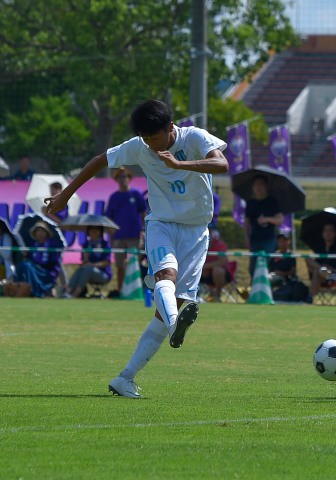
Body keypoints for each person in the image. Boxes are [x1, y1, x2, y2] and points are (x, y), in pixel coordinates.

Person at [45, 99, 229, 398]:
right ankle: (174, 326)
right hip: (161, 225)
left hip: (197, 232)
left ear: (171, 128)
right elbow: (99, 160)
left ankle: (125, 377)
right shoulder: (140, 146)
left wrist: (179, 164)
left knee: (175, 301)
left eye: (155, 139)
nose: (152, 147)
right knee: (165, 276)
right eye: (146, 140)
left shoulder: (195, 137)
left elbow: (222, 163)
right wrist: (66, 194)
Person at [105, 166, 147, 298]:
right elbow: (109, 219)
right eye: (120, 177)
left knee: (136, 263)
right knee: (120, 266)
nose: (123, 179)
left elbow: (144, 213)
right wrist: (110, 236)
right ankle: (121, 291)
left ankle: (137, 291)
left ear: (129, 178)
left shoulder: (136, 194)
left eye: (125, 176)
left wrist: (144, 230)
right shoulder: (114, 197)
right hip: (118, 236)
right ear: (116, 180)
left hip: (134, 235)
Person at [244, 174, 283, 279]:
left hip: (269, 239)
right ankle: (254, 291)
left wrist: (267, 219)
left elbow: (280, 219)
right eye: (256, 185)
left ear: (266, 186)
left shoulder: (272, 202)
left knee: (265, 263)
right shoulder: (250, 203)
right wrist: (246, 237)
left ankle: (267, 290)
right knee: (253, 267)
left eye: (261, 184)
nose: (258, 187)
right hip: (254, 239)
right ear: (253, 187)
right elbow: (247, 222)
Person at [13, 221, 62, 298]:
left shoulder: (52, 244)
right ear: (35, 233)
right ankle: (18, 287)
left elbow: (55, 262)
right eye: (38, 231)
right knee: (23, 265)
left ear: (46, 233)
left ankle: (35, 292)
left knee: (28, 266)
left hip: (47, 272)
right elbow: (30, 259)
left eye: (42, 231)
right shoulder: (32, 245)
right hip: (33, 270)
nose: (40, 233)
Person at [304, 223, 336, 304]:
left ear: (335, 233)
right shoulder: (319, 247)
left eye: (330, 230)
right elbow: (310, 267)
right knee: (309, 260)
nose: (328, 233)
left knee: (317, 272)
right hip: (320, 275)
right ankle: (322, 269)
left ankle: (310, 298)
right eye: (325, 230)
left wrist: (334, 270)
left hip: (335, 276)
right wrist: (322, 267)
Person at [64, 226, 112, 298]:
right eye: (91, 230)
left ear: (100, 232)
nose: (94, 232)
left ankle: (75, 294)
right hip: (88, 272)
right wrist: (86, 257)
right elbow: (83, 263)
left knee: (88, 269)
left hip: (103, 274)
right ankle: (67, 292)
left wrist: (92, 265)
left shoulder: (105, 244)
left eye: (96, 229)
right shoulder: (86, 245)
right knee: (80, 269)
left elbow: (106, 262)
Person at [199, 228, 233, 301]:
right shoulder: (198, 244)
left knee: (217, 270)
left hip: (221, 275)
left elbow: (222, 262)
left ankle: (217, 294)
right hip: (204, 273)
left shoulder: (220, 245)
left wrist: (205, 266)